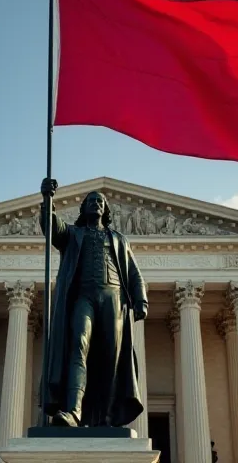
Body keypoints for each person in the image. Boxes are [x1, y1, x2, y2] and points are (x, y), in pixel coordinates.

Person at [39, 177, 148, 427]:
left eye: (100, 201)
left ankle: (105, 417)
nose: (96, 204)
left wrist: (140, 300)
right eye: (91, 201)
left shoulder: (119, 239)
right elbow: (53, 228)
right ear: (83, 208)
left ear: (105, 210)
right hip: (83, 296)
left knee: (110, 356)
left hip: (113, 297)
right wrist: (48, 201)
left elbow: (133, 273)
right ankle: (73, 411)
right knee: (79, 344)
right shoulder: (73, 234)